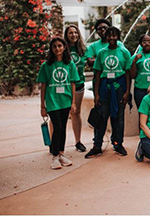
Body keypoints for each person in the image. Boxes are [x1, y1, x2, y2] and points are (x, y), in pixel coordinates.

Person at [85, 27, 132, 158]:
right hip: (105, 87)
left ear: (118, 36)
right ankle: (97, 145)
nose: (111, 38)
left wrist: (127, 92)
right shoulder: (101, 53)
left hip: (119, 87)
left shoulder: (124, 52)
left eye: (114, 35)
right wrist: (97, 94)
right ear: (106, 37)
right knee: (102, 116)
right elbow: (98, 74)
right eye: (109, 36)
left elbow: (128, 73)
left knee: (119, 117)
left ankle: (118, 143)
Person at [37, 37, 79, 169]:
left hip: (65, 101)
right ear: (51, 49)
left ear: (64, 47)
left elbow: (73, 83)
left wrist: (73, 102)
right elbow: (43, 86)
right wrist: (43, 106)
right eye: (54, 46)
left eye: (60, 46)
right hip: (53, 101)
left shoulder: (70, 64)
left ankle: (61, 153)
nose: (57, 49)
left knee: (63, 129)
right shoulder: (46, 66)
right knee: (58, 127)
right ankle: (54, 156)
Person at [64, 25, 87, 152]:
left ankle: (78, 141)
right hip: (63, 86)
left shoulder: (82, 50)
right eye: (70, 33)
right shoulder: (62, 49)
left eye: (75, 33)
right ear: (66, 35)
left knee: (76, 113)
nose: (73, 35)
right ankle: (53, 142)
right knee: (58, 114)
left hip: (79, 84)